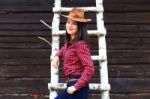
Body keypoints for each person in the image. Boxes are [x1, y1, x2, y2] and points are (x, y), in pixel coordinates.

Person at [51, 7, 95, 99]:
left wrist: (76, 86)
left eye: (74, 23)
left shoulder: (80, 44)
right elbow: (64, 49)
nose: (69, 25)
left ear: (80, 26)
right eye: (68, 22)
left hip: (78, 88)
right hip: (71, 85)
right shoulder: (70, 43)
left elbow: (90, 68)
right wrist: (56, 57)